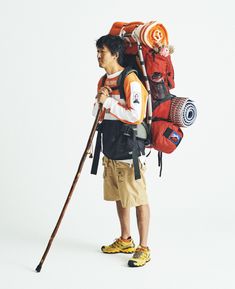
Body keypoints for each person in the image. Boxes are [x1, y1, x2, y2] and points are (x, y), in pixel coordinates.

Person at [92, 34, 150, 267]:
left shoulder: (131, 80)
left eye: (102, 51)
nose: (98, 55)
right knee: (120, 196)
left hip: (130, 150)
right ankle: (126, 239)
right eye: (97, 51)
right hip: (111, 148)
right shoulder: (103, 80)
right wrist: (100, 102)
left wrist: (107, 103)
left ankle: (144, 247)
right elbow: (96, 113)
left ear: (115, 54)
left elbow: (135, 116)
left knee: (137, 197)